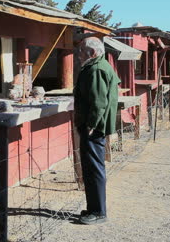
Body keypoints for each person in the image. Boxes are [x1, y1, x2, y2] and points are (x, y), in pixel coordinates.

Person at [73, 37, 121, 225]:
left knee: (94, 168)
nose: (78, 56)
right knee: (91, 167)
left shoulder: (97, 69)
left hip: (93, 127)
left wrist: (91, 125)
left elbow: (99, 102)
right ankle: (94, 208)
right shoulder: (98, 66)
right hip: (94, 125)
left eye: (81, 52)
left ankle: (99, 211)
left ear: (92, 53)